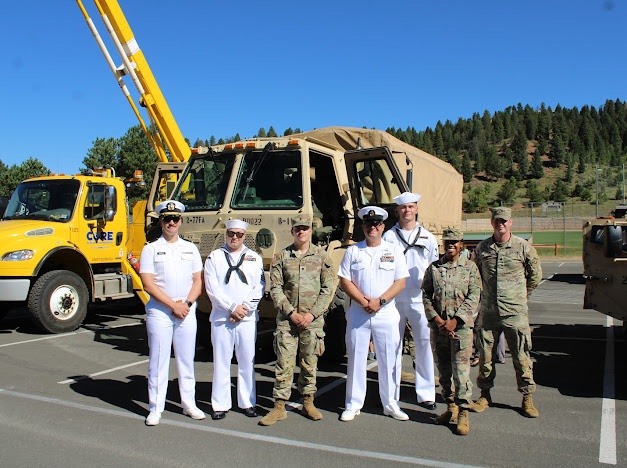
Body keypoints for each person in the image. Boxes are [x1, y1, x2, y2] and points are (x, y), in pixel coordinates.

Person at [259, 215, 336, 426]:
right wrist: (291, 313)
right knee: (283, 363)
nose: (301, 232)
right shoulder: (282, 257)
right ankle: (279, 407)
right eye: (297, 229)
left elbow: (328, 289)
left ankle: (308, 402)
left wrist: (312, 314)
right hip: (287, 321)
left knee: (309, 363)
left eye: (305, 228)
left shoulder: (322, 257)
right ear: (292, 232)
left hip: (312, 321)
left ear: (311, 231)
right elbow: (275, 288)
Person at [338, 206, 410, 421]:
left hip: (386, 312)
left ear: (383, 226)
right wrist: (363, 301)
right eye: (369, 224)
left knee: (389, 360)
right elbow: (344, 280)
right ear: (363, 226)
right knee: (356, 359)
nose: (373, 228)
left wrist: (381, 301)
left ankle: (390, 404)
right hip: (359, 312)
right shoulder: (353, 251)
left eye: (377, 224)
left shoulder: (394, 250)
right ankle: (353, 404)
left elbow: (401, 281)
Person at [139, 200, 205, 426]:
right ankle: (156, 408)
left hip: (186, 311)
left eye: (175, 219)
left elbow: (198, 281)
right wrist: (172, 305)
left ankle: (189, 404)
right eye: (167, 219)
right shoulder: (150, 249)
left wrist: (185, 303)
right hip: (160, 312)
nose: (171, 223)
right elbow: (148, 283)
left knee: (186, 360)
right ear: (161, 221)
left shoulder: (191, 248)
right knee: (158, 361)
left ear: (181, 221)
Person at [472, 207, 542, 418]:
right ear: (492, 223)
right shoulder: (483, 248)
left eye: (504, 220)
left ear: (510, 222)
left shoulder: (523, 247)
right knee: (485, 356)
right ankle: (485, 395)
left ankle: (527, 398)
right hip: (488, 312)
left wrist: (520, 296)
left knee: (521, 356)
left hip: (515, 311)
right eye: (496, 220)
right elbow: (475, 276)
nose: (500, 224)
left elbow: (535, 276)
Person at [382, 192, 439, 410]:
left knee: (423, 344)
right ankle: (390, 394)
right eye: (403, 207)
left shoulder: (428, 237)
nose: (407, 210)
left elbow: (434, 269)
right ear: (397, 211)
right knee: (391, 346)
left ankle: (426, 394)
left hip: (419, 298)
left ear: (416, 209)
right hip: (394, 298)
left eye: (411, 207)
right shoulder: (388, 237)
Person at [422, 228, 481, 435]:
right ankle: (451, 407)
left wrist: (455, 321)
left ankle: (463, 412)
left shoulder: (470, 268)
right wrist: (437, 320)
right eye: (447, 242)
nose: (450, 245)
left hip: (461, 330)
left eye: (454, 242)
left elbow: (474, 296)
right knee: (444, 371)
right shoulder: (434, 268)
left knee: (461, 373)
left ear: (461, 244)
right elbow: (426, 296)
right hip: (439, 330)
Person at [204, 219, 265, 420]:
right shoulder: (214, 257)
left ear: (244, 236)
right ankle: (220, 405)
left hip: (246, 319)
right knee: (221, 362)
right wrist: (232, 307)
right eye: (231, 233)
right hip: (222, 318)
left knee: (247, 361)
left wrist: (245, 308)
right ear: (226, 234)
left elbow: (259, 286)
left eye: (239, 234)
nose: (235, 237)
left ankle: (247, 402)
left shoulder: (254, 258)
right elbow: (212, 288)